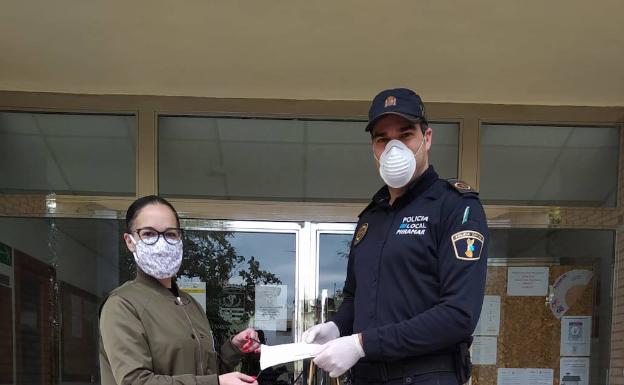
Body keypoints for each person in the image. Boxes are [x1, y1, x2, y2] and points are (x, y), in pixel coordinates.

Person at [304, 88, 488, 385]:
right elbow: (356, 297)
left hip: (427, 375)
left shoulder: (454, 207)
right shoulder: (371, 218)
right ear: (374, 149)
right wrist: (337, 327)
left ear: (426, 138)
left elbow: (459, 314)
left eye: (405, 135)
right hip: (366, 377)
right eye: (382, 139)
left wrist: (361, 344)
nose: (394, 148)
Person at [99, 195, 260, 385]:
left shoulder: (190, 304)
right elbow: (135, 381)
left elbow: (206, 372)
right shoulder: (122, 305)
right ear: (129, 241)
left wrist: (234, 348)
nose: (161, 244)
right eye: (149, 234)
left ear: (180, 238)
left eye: (170, 234)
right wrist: (217, 383)